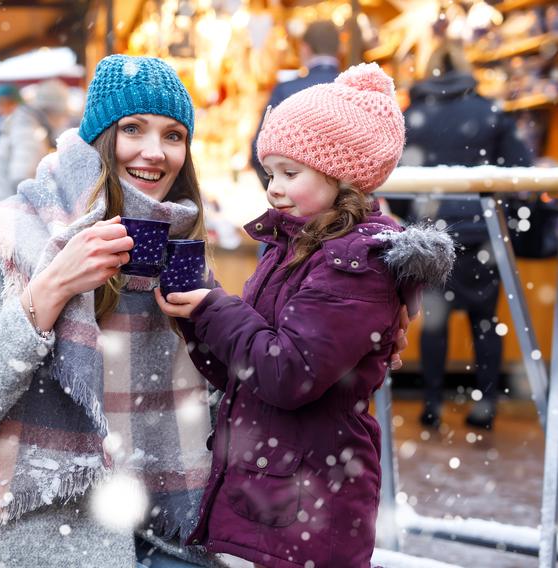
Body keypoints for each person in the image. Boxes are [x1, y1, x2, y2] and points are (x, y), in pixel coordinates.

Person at [0, 54, 219, 567]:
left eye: (173, 136)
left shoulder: (179, 248)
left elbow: (217, 397)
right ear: (100, 138)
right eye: (133, 129)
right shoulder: (10, 237)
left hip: (159, 526)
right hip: (26, 536)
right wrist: (49, 290)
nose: (155, 152)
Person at [156, 63, 454, 568]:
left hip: (312, 503)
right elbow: (246, 372)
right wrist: (199, 314)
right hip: (281, 493)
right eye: (270, 172)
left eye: (290, 173)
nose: (273, 187)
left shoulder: (354, 265)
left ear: (344, 177)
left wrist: (218, 310)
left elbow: (287, 374)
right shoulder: (294, 245)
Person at [402, 41, 533, 431]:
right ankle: (486, 404)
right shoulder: (489, 111)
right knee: (484, 320)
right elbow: (521, 168)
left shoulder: (414, 114)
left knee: (433, 321)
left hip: (430, 232)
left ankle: (432, 403)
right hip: (481, 232)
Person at [250, 20, 340, 188]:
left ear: (305, 48)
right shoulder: (354, 90)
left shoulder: (286, 90)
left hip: (296, 204)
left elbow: (258, 150)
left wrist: (279, 187)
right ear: (338, 49)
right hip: (349, 205)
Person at [0, 79, 73, 203]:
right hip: (11, 211)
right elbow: (21, 179)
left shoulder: (24, 123)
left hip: (2, 205)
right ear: (54, 111)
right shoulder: (29, 130)